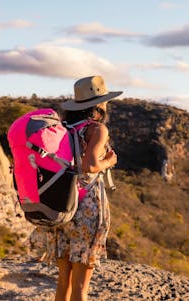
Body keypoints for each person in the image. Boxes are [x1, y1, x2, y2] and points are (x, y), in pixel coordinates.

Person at [29, 75, 122, 301]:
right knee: (81, 287)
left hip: (62, 203)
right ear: (99, 104)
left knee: (63, 282)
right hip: (87, 208)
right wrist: (109, 162)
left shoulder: (63, 127)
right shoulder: (97, 129)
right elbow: (90, 166)